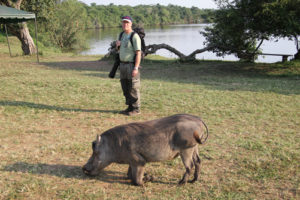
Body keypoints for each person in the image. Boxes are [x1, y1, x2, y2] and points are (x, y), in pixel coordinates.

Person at [116, 16, 142, 116]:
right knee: (125, 87)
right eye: (123, 22)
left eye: (127, 23)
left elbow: (138, 53)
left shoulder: (134, 36)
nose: (125, 24)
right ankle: (130, 107)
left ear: (131, 24)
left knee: (133, 87)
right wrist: (117, 45)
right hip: (122, 65)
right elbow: (119, 50)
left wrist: (136, 67)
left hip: (131, 65)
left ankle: (136, 109)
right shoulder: (122, 35)